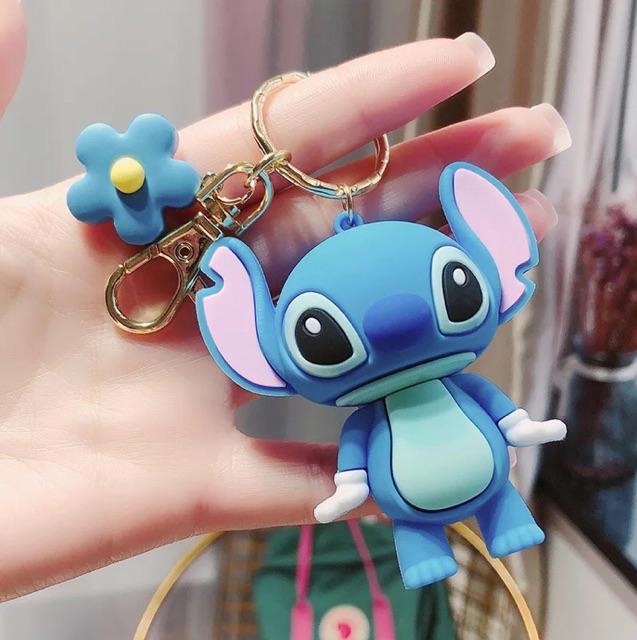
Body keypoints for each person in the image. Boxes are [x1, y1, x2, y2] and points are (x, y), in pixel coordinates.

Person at [0, 0, 570, 601]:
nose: (395, 322)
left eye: (457, 288)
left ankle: (503, 518)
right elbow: (363, 449)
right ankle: (423, 544)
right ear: (260, 351)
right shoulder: (369, 405)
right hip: (422, 487)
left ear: (499, 271)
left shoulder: (437, 390)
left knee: (488, 502)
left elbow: (485, 406)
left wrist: (520, 425)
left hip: (460, 476)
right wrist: (352, 484)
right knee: (415, 521)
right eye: (320, 334)